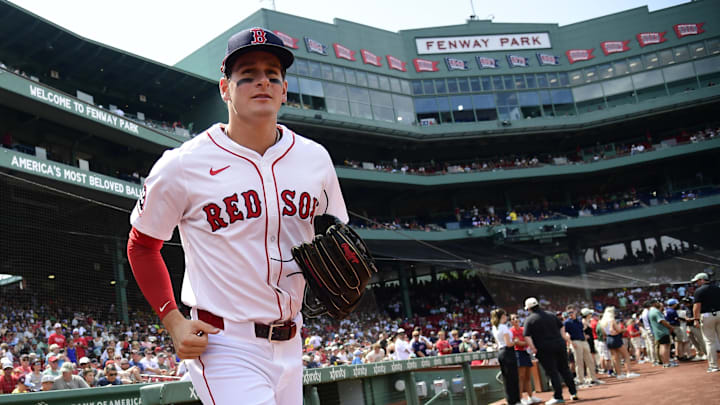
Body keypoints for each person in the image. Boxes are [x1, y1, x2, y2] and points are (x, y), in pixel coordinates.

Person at [126, 27, 347, 405]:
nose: (262, 81)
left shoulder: (315, 160)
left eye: (272, 75)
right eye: (247, 75)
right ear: (225, 89)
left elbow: (337, 237)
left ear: (284, 90)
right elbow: (142, 245)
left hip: (293, 342)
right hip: (224, 344)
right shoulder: (183, 165)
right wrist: (172, 319)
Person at [523, 297, 578, 404]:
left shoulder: (529, 320)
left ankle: (558, 396)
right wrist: (562, 337)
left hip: (544, 349)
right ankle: (573, 392)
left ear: (529, 309)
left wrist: (533, 348)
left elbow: (526, 336)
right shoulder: (551, 314)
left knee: (552, 372)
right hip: (559, 345)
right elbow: (561, 326)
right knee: (565, 369)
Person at [690, 272, 720, 372]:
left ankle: (713, 366)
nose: (696, 283)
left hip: (707, 316)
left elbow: (696, 307)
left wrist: (696, 319)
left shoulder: (699, 291)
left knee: (709, 342)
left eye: (697, 281)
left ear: (702, 280)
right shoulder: (717, 288)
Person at [563, 308, 601, 386]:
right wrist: (571, 343)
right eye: (568, 312)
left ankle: (592, 378)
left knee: (589, 360)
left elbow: (581, 331)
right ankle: (580, 380)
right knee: (579, 362)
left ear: (575, 312)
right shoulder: (567, 322)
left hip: (583, 341)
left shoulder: (579, 321)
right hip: (575, 341)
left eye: (572, 312)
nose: (570, 314)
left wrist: (584, 336)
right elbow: (566, 334)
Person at [599, 307, 639, 379]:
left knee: (615, 358)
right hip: (615, 338)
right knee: (626, 355)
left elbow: (604, 333)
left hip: (608, 339)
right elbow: (618, 330)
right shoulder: (612, 320)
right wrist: (624, 329)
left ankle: (619, 374)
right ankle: (629, 372)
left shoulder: (602, 322)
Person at [491, 308, 521, 405]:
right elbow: (508, 343)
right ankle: (515, 400)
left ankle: (511, 400)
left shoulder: (494, 327)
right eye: (505, 315)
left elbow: (497, 342)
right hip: (508, 352)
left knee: (507, 378)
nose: (506, 317)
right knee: (513, 378)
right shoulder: (503, 327)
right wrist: (515, 341)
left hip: (501, 352)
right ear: (502, 316)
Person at [510, 314, 542, 405]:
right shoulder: (511, 331)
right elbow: (518, 343)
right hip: (518, 354)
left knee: (528, 376)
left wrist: (525, 343)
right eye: (513, 319)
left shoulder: (523, 329)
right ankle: (520, 398)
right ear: (511, 321)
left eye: (517, 318)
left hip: (526, 353)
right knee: (521, 377)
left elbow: (526, 340)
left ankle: (531, 396)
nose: (516, 320)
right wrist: (526, 343)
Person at [648, 301, 674, 368]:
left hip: (657, 332)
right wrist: (670, 327)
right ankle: (667, 362)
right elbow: (662, 321)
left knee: (662, 346)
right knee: (665, 346)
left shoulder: (650, 312)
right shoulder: (656, 312)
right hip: (663, 331)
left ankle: (665, 363)